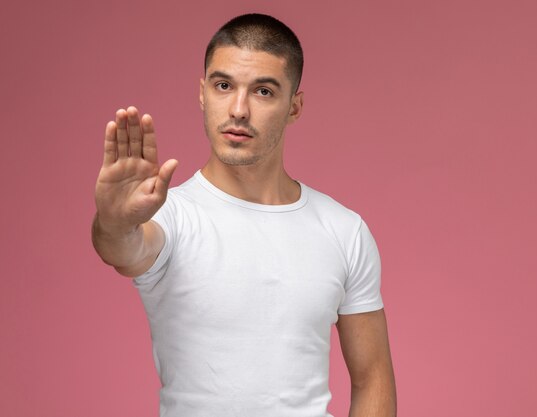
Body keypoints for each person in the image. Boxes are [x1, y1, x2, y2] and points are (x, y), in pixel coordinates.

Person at [92, 13, 396, 417]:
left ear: (294, 106)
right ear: (202, 93)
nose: (238, 109)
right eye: (223, 86)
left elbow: (373, 377)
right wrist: (114, 220)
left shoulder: (344, 230)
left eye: (264, 91)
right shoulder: (171, 216)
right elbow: (123, 248)